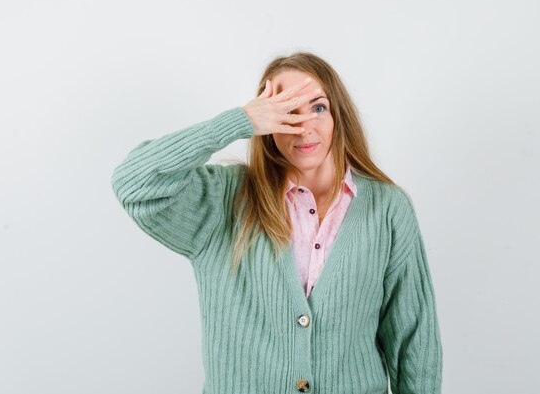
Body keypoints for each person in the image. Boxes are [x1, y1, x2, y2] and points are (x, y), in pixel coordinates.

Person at [111, 51, 443, 394]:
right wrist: (238, 122)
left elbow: (413, 339)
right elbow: (134, 182)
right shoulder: (223, 200)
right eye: (285, 112)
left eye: (317, 107)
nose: (303, 127)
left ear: (337, 114)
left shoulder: (387, 208)